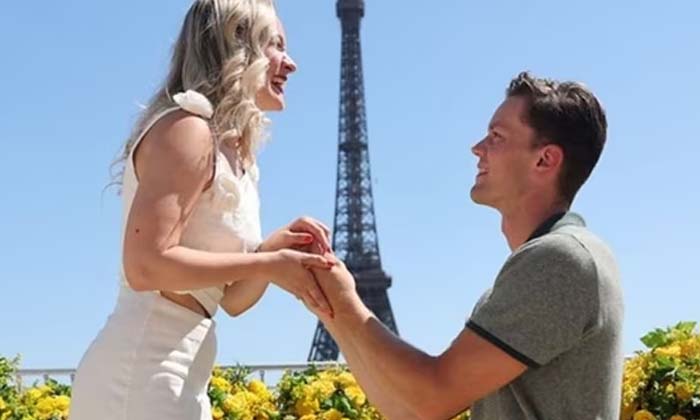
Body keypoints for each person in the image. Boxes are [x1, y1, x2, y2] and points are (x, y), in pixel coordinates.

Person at [69, 1, 336, 419]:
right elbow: (146, 266)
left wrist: (269, 253)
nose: (292, 63)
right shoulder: (188, 130)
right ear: (238, 47)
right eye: (276, 45)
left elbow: (230, 302)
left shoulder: (236, 156)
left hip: (179, 375)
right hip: (140, 376)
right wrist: (267, 263)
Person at [308, 72, 624, 420]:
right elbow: (409, 410)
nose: (477, 148)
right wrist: (327, 304)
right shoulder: (559, 258)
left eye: (496, 136)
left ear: (545, 160)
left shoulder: (561, 260)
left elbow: (429, 399)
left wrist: (342, 299)